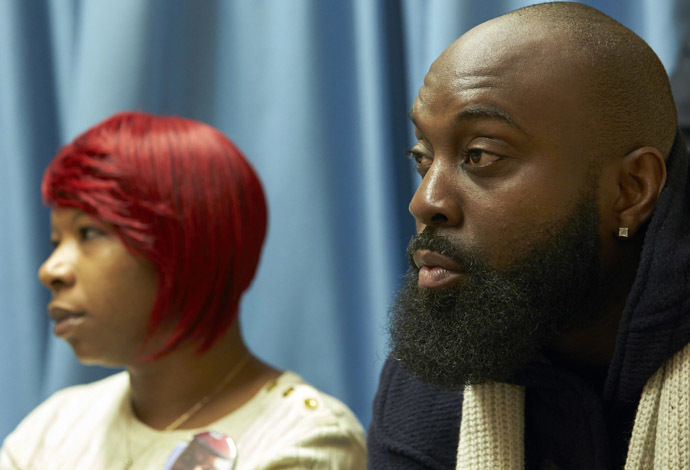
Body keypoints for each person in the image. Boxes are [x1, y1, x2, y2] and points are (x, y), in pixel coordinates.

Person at [368, 2, 689, 469]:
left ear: (631, 190)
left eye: (480, 155)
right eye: (423, 156)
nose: (425, 201)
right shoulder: (433, 376)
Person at [0, 112, 366, 469]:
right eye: (55, 241)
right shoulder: (52, 428)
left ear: (187, 244)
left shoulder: (305, 440)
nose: (51, 270)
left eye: (89, 233)